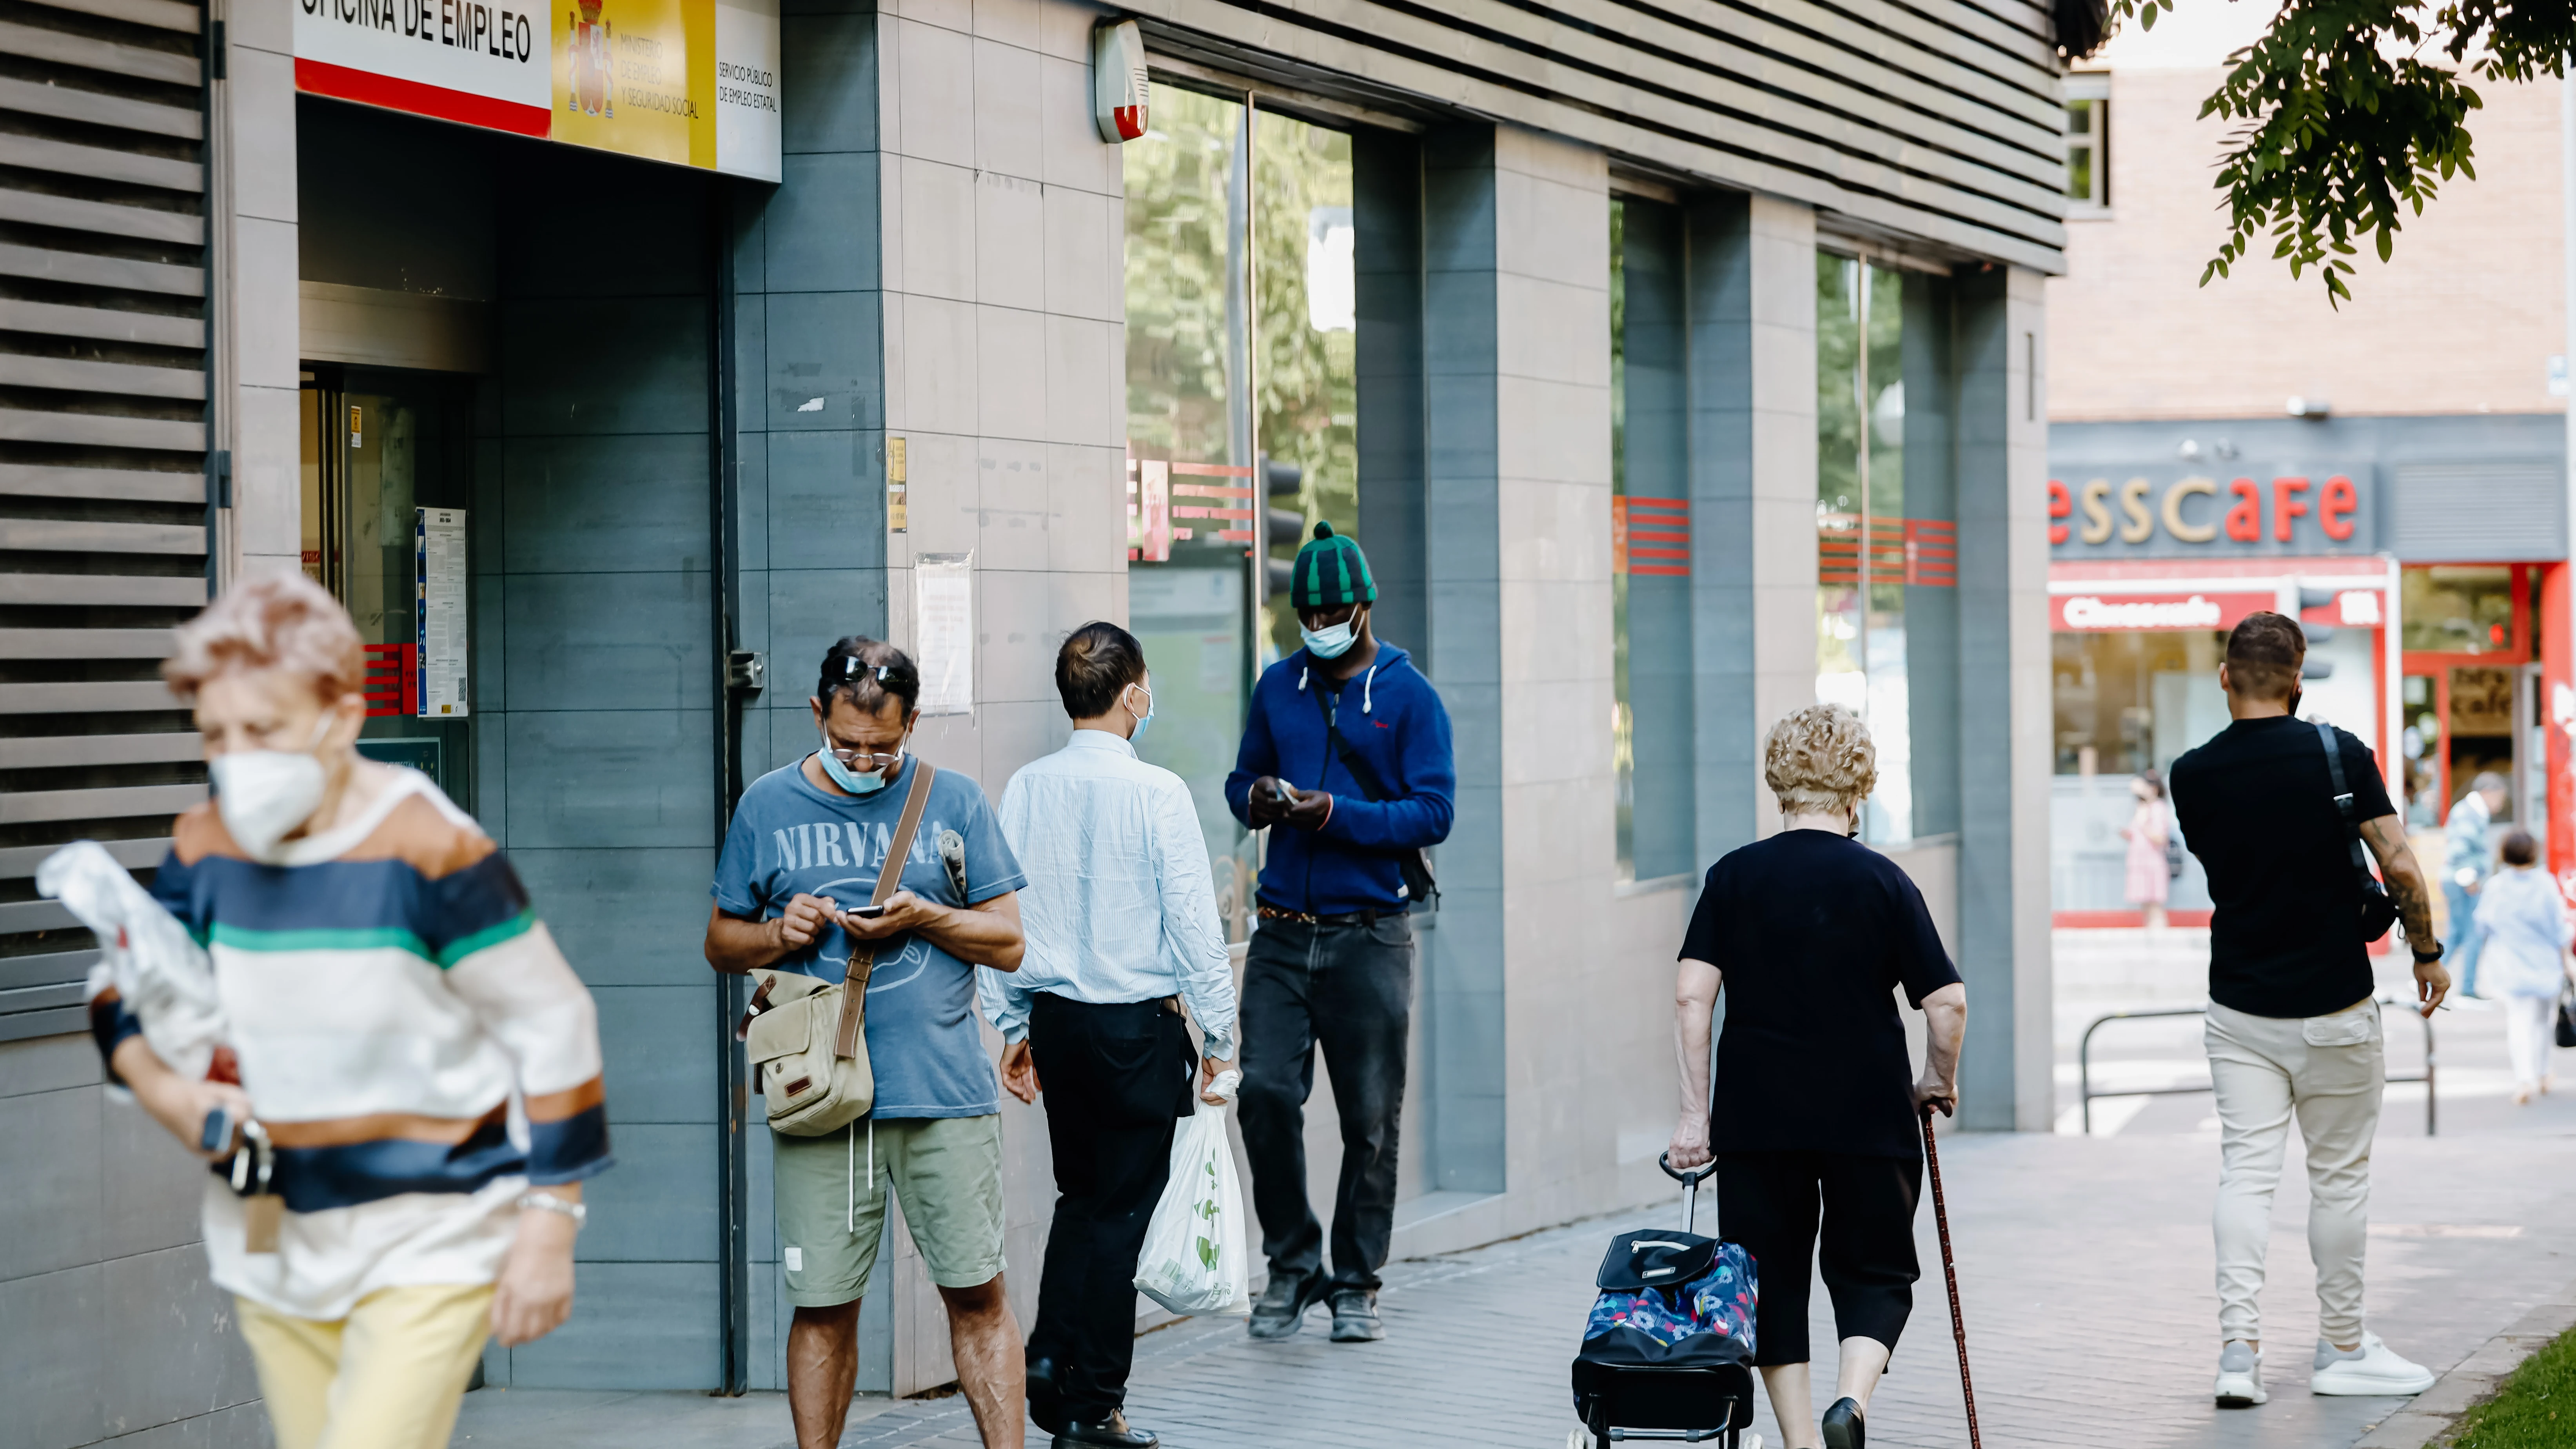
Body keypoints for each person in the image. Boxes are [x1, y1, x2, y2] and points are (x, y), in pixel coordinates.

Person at [94, 575, 609, 1449]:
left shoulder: (431, 848)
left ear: (341, 716)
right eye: (216, 736)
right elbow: (122, 989)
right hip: (269, 1226)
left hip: (430, 1232)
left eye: (264, 731)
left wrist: (549, 1225)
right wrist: (172, 1095)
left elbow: (554, 1023)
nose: (236, 760)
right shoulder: (202, 844)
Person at [703, 638, 1031, 1449]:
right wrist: (780, 931)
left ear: (912, 724)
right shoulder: (767, 806)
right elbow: (719, 942)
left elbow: (1010, 942)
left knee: (979, 1296)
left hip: (943, 1095)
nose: (861, 758)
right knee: (822, 1304)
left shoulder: (953, 801)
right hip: (820, 1100)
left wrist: (926, 916)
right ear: (818, 714)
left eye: (882, 747)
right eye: (846, 741)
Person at [1665, 703, 1967, 1449]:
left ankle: (1801, 1443)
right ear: (1858, 786)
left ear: (1779, 783)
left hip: (1757, 1116)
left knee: (1769, 1282)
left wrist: (1693, 1117)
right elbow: (1947, 1002)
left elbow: (1691, 994)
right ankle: (1851, 1403)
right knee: (1874, 1270)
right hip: (1867, 1113)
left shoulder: (1733, 876)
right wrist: (1934, 1079)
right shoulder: (1883, 881)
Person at [2168, 611, 2449, 1409]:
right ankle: (2344, 1347)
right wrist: (2426, 953)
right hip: (2335, 1004)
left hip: (2241, 1007)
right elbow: (2398, 862)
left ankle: (2237, 1355)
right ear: (2297, 682)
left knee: (2246, 1175)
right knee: (2339, 1182)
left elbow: (2226, 863)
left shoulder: (2192, 773)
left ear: (2225, 678)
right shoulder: (2338, 753)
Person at [985, 623, 1243, 1449]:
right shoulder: (1158, 793)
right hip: (1136, 1029)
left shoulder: (1026, 787)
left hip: (1058, 1024)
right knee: (1121, 1212)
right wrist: (1223, 1037)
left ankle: (1049, 1361)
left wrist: (1013, 1022)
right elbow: (1197, 930)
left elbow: (1001, 913)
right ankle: (1093, 1407)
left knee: (1084, 1198)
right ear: (1131, 693)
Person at [1224, 521, 1454, 1344]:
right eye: (1305, 612)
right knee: (1264, 1096)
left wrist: (1334, 813)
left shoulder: (1409, 696)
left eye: (1329, 611)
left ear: (1362, 608)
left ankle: (1356, 1282)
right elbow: (1240, 775)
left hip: (1371, 935)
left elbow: (1435, 811)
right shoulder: (1276, 686)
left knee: (1370, 1120)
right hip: (1283, 932)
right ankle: (1292, 1264)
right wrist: (1253, 799)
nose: (1316, 623)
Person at [2468, 828, 2573, 1104]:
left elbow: (2482, 925)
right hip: (2545, 963)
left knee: (2518, 1021)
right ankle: (2541, 1073)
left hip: (2510, 964)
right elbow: (2559, 928)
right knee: (2542, 1021)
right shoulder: (2545, 884)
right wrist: (2566, 963)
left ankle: (2524, 1078)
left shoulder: (2496, 886)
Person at [2443, 772, 2508, 997]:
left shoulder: (2472, 811)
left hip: (2458, 881)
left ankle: (2430, 980)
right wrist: (2469, 878)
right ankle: (2468, 990)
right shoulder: (2469, 812)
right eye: (2499, 798)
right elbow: (2459, 849)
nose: (2500, 804)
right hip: (2463, 882)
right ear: (2487, 793)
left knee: (2456, 934)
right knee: (2472, 935)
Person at [2122, 768, 2174, 930]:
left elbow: (2160, 838)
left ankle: (2159, 938)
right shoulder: (2141, 808)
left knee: (2155, 905)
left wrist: (2145, 824)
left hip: (2153, 862)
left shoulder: (2158, 808)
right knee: (2145, 905)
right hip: (2139, 860)